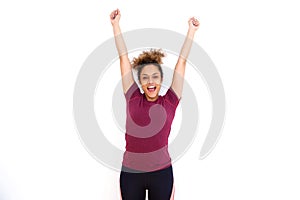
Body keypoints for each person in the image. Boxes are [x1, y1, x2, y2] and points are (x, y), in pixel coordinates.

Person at [110, 8, 199, 200]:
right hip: (131, 173)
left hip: (161, 174)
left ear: (161, 80)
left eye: (155, 77)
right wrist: (116, 26)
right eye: (145, 77)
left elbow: (181, 63)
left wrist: (191, 31)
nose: (151, 81)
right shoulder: (133, 96)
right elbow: (123, 58)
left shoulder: (170, 100)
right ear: (140, 82)